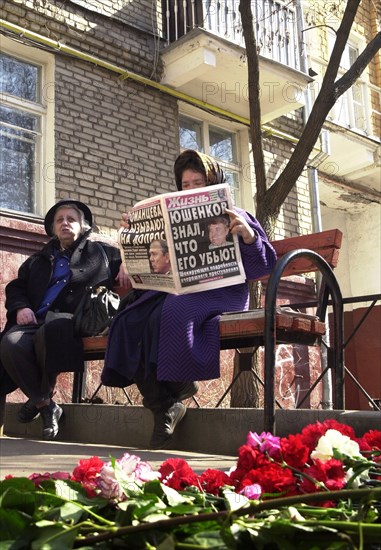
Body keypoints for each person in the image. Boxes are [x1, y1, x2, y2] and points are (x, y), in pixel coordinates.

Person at [101, 150, 277, 450]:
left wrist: (248, 237)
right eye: (186, 184)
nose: (193, 189)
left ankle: (173, 391)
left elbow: (264, 267)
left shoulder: (239, 215)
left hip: (220, 294)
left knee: (170, 311)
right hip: (174, 289)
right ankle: (165, 401)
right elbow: (156, 260)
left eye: (200, 182)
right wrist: (131, 241)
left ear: (215, 182)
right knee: (129, 319)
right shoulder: (171, 219)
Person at [0, 199, 125, 440]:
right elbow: (17, 287)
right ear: (53, 228)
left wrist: (127, 265)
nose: (65, 223)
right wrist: (21, 307)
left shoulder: (102, 253)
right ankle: (46, 405)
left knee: (53, 331)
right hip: (35, 322)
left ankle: (38, 403)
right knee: (10, 342)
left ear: (83, 225)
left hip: (73, 322)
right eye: (60, 220)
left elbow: (140, 258)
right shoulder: (39, 259)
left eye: (71, 219)